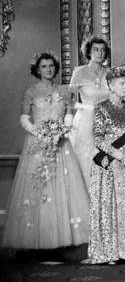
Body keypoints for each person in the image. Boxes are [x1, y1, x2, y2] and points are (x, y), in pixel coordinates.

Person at [2, 52, 89, 251]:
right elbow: (24, 118)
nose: (48, 69)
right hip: (37, 144)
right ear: (37, 70)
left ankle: (61, 243)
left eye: (51, 65)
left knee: (61, 188)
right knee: (39, 188)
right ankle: (37, 243)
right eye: (44, 66)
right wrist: (39, 133)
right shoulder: (31, 91)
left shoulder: (64, 90)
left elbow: (69, 114)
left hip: (60, 144)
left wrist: (60, 131)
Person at [87, 63, 125, 264]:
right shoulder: (101, 108)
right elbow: (97, 138)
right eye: (121, 83)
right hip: (110, 165)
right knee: (110, 208)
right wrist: (118, 156)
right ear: (110, 85)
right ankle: (110, 252)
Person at [69, 36, 111, 188]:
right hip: (86, 122)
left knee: (106, 161)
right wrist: (89, 108)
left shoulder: (110, 73)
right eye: (96, 49)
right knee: (86, 161)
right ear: (88, 51)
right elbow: (71, 102)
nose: (100, 53)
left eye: (102, 50)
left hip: (107, 123)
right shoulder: (79, 72)